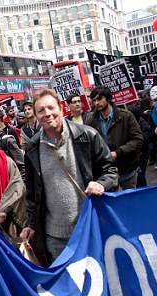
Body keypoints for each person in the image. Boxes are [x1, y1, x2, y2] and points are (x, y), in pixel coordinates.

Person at [21, 89, 118, 266]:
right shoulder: (33, 149)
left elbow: (110, 171)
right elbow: (33, 194)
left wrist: (100, 184)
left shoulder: (87, 135)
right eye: (41, 111)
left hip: (91, 228)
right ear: (35, 115)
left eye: (51, 107)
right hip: (55, 240)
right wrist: (31, 225)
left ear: (61, 108)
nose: (47, 114)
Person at [86, 85, 143, 189]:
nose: (97, 103)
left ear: (108, 98)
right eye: (94, 100)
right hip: (106, 173)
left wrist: (118, 153)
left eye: (99, 99)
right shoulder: (92, 121)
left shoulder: (126, 116)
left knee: (129, 201)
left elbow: (137, 140)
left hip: (127, 170)